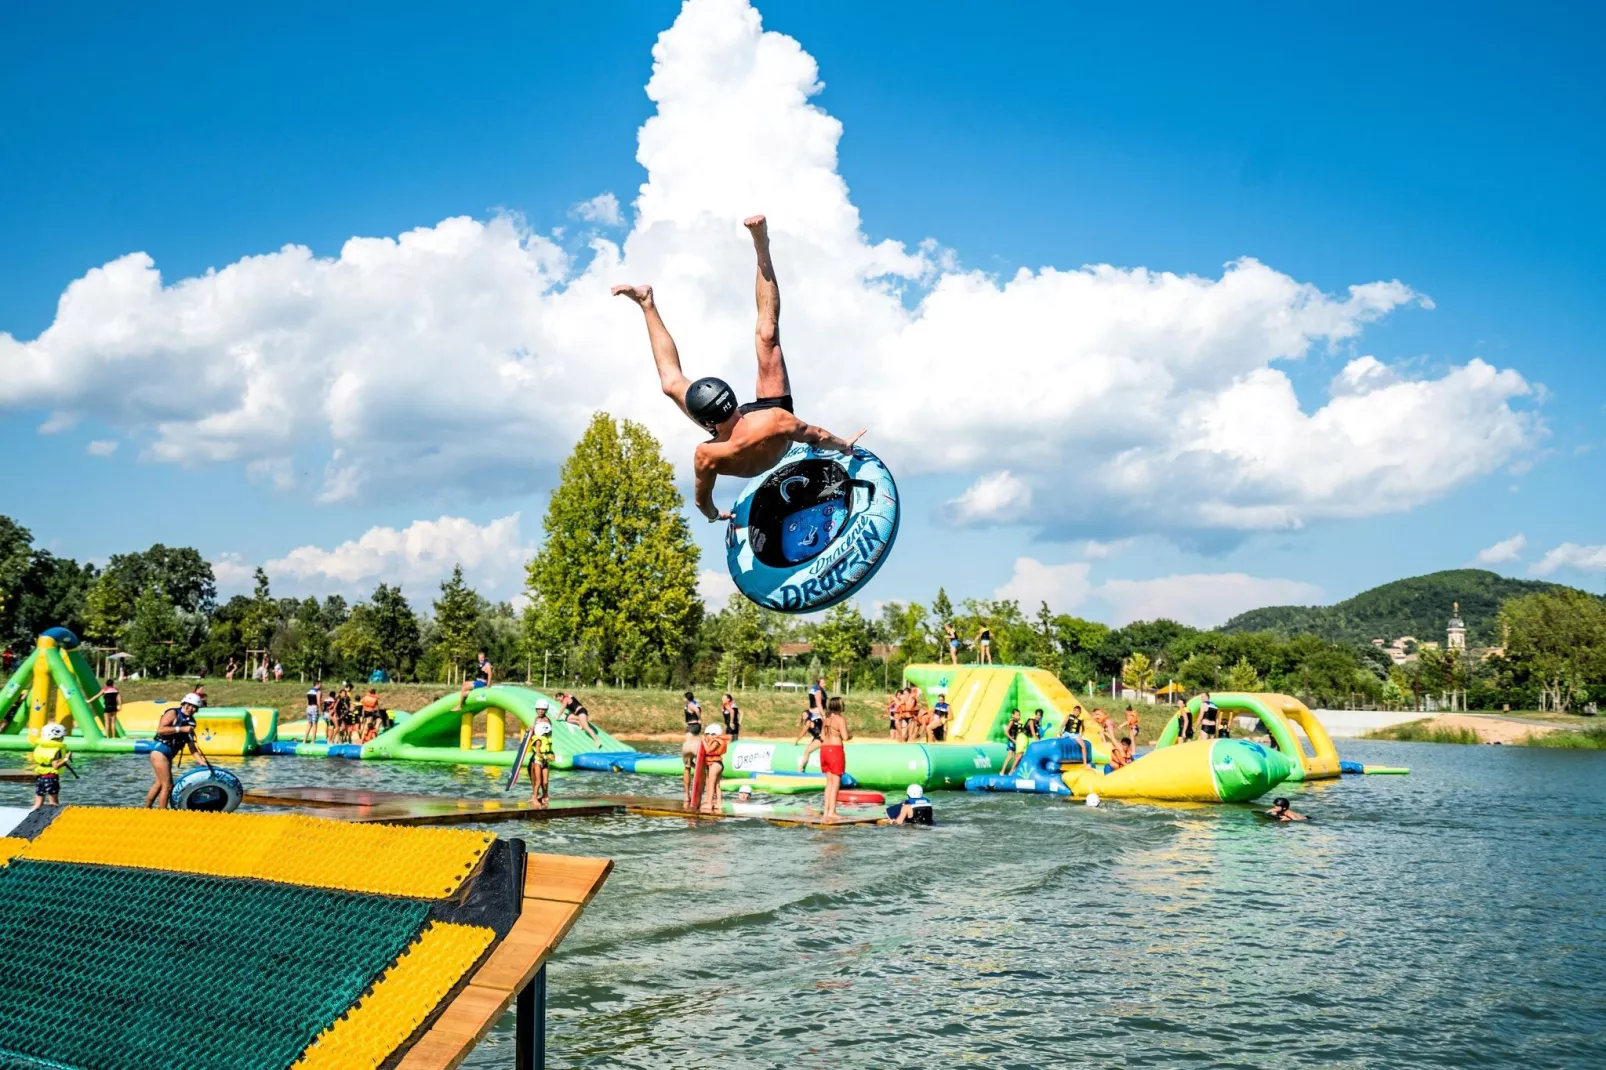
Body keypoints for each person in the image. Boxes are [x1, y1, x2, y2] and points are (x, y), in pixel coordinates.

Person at [613, 215, 865, 524]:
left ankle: (762, 246)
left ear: (705, 421)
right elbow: (819, 435)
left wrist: (714, 515)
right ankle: (646, 301)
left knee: (767, 334)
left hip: (761, 424)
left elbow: (701, 501)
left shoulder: (757, 428)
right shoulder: (718, 451)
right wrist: (844, 445)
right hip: (757, 429)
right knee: (674, 383)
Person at [145, 693, 200, 809]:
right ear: (184, 703)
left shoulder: (191, 722)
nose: (192, 709)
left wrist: (202, 763)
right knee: (168, 785)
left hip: (169, 754)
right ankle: (163, 813)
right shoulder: (173, 713)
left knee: (160, 783)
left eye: (195, 707)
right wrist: (181, 728)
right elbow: (161, 730)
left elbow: (192, 747)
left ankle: (146, 809)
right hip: (160, 751)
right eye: (190, 705)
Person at [820, 697, 853, 820]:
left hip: (824, 750)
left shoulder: (826, 719)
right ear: (839, 706)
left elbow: (822, 736)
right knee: (836, 783)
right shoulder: (840, 719)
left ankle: (826, 812)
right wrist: (850, 735)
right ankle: (832, 811)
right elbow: (844, 737)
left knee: (829, 783)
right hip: (835, 750)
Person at [31, 723, 70, 810]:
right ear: (59, 737)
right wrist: (66, 759)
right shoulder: (56, 750)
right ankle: (54, 821)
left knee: (38, 803)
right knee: (54, 803)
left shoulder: (40, 747)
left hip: (40, 777)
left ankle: (27, 816)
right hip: (51, 778)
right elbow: (55, 766)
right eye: (62, 737)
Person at [700, 724, 729, 813]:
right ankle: (718, 803)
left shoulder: (716, 741)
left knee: (712, 784)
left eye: (709, 734)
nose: (708, 736)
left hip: (715, 764)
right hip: (715, 764)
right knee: (716, 785)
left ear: (714, 734)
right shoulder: (716, 740)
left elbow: (709, 750)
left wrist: (703, 741)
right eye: (707, 734)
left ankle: (709, 803)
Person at [528, 722, 556, 808]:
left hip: (545, 762)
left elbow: (549, 750)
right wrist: (546, 757)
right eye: (546, 732)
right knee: (538, 781)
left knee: (545, 782)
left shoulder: (547, 740)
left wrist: (552, 755)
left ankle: (545, 796)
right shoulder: (538, 741)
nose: (547, 734)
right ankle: (535, 798)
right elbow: (537, 753)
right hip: (538, 761)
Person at [795, 704, 824, 772]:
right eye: (803, 715)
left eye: (805, 715)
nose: (803, 716)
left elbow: (802, 733)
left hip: (820, 738)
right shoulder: (815, 720)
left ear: (809, 715)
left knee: (807, 751)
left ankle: (800, 768)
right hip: (818, 738)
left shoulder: (808, 722)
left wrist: (796, 741)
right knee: (810, 749)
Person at [1001, 709, 1025, 776]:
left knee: (1017, 757)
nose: (1018, 716)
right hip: (1011, 741)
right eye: (1017, 715)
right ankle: (1002, 771)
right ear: (1013, 715)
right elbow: (1006, 732)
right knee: (1010, 756)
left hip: (1016, 742)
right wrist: (1012, 739)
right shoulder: (1011, 721)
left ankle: (1012, 771)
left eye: (1019, 715)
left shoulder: (1019, 723)